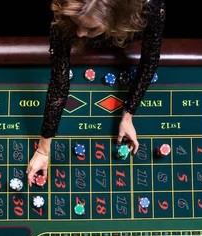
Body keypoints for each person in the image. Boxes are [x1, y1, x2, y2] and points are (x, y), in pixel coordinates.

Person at [26, 0, 166, 186]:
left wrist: (128, 115)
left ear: (117, 16)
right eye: (76, 22)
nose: (80, 33)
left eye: (90, 28)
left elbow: (149, 61)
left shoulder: (150, 8)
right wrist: (43, 148)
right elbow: (59, 81)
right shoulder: (69, 7)